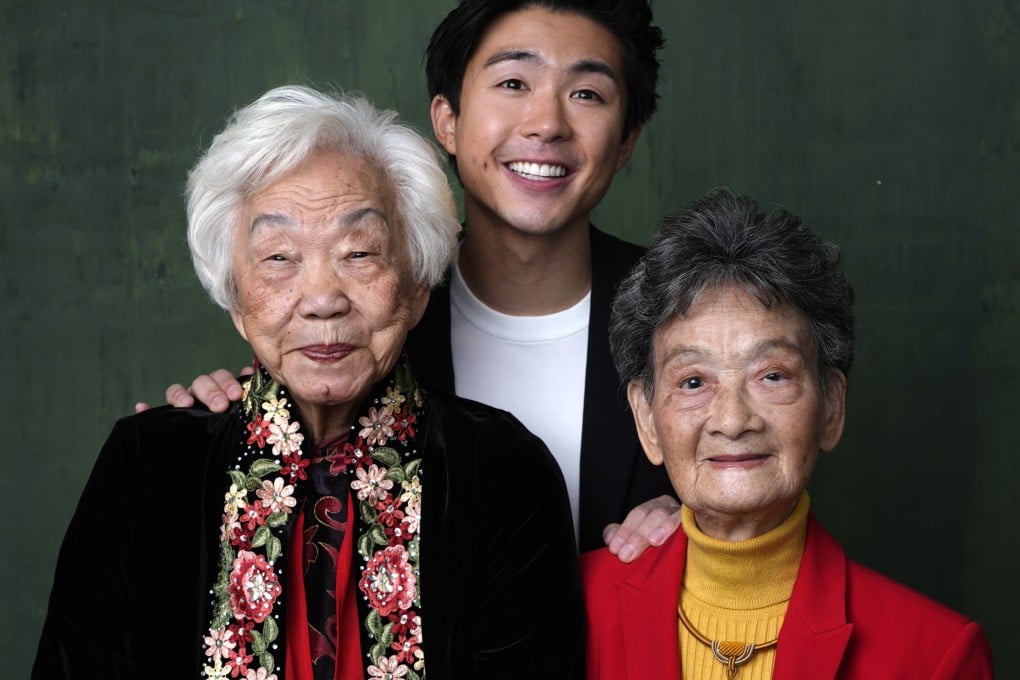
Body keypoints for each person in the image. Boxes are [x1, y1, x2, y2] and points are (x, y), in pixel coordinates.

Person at [34, 85, 583, 680]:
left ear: (419, 282)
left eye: (360, 252)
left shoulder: (502, 470)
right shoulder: (145, 464)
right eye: (278, 258)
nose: (322, 299)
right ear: (235, 298)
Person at [154, 0, 679, 558]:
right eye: (513, 83)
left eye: (586, 94)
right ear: (447, 121)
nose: (547, 124)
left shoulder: (692, 312)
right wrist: (214, 420)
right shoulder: (371, 313)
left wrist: (718, 514)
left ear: (626, 139)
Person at [582, 188, 994, 679]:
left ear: (832, 408)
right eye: (693, 381)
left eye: (772, 375)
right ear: (647, 420)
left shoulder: (936, 656)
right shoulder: (569, 608)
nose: (733, 421)